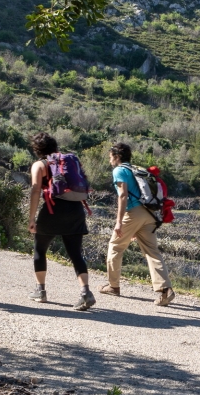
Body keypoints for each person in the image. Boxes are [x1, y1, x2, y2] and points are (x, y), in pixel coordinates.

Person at [27, 132, 95, 309]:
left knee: (40, 249)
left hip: (52, 210)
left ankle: (40, 291)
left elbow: (35, 190)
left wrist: (32, 218)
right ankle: (85, 292)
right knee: (76, 254)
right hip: (76, 210)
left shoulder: (40, 165)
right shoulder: (68, 161)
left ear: (37, 149)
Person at [103, 142, 174, 306]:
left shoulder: (119, 170)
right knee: (152, 251)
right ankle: (166, 290)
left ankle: (113, 286)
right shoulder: (136, 169)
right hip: (149, 214)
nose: (109, 160)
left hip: (133, 212)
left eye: (110, 157)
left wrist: (119, 222)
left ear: (117, 156)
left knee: (115, 246)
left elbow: (123, 196)